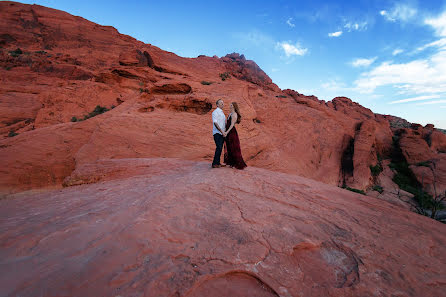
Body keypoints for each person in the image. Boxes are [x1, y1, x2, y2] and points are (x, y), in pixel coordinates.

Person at [224, 102, 247, 170]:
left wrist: (227, 132)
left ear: (234, 106)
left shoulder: (234, 114)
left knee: (234, 148)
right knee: (229, 147)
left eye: (231, 105)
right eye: (230, 105)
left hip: (232, 132)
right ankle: (231, 163)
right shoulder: (230, 114)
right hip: (228, 132)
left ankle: (237, 164)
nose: (230, 106)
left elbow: (232, 125)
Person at [211, 99, 226, 168]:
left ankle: (217, 162)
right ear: (217, 105)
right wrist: (221, 131)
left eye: (223, 103)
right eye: (221, 103)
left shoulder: (222, 113)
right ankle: (214, 163)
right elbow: (215, 122)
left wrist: (225, 131)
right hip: (217, 133)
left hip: (222, 133)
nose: (223, 104)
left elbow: (223, 123)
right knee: (219, 147)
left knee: (220, 148)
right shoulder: (215, 112)